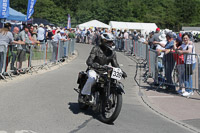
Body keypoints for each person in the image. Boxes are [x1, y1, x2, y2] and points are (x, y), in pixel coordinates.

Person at [81, 33, 127, 101]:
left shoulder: (112, 52)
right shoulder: (96, 49)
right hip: (94, 70)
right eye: (109, 42)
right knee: (92, 78)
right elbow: (89, 61)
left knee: (112, 81)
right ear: (104, 41)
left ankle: (106, 96)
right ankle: (84, 94)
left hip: (105, 71)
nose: (111, 43)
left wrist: (121, 71)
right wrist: (94, 64)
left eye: (112, 42)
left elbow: (115, 64)